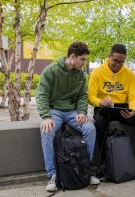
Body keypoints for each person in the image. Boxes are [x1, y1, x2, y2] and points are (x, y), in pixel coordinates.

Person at [36, 42, 100, 192]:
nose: (84, 63)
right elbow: (41, 95)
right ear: (72, 57)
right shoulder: (51, 71)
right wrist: (46, 117)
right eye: (83, 59)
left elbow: (82, 96)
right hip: (54, 111)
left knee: (90, 128)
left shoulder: (81, 75)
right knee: (46, 130)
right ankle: (52, 175)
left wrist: (82, 112)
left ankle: (85, 170)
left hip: (72, 112)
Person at [88, 44, 135, 182]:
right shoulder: (97, 72)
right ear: (109, 57)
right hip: (104, 106)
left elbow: (134, 97)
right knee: (99, 123)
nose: (118, 64)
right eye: (115, 60)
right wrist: (100, 102)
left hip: (123, 107)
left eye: (121, 61)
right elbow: (91, 96)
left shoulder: (129, 74)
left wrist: (133, 111)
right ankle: (104, 163)